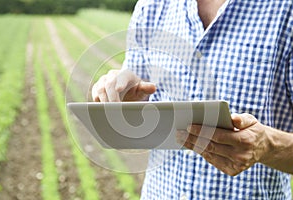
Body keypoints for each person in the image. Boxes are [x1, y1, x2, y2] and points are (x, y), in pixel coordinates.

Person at [92, 0, 293, 199]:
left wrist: (268, 146)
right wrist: (125, 101)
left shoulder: (286, 10)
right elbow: (137, 109)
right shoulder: (150, 6)